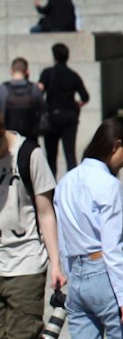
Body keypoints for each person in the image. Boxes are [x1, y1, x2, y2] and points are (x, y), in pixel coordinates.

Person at [52, 117, 123, 339]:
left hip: (77, 275)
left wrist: (70, 273)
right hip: (104, 274)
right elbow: (112, 247)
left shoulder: (65, 181)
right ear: (116, 145)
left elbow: (62, 238)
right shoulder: (109, 185)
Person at [0, 113, 63, 339]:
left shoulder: (29, 154)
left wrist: (56, 264)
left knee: (23, 333)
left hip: (25, 264)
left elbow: (46, 213)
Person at [38, 44, 89, 178]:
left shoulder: (47, 73)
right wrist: (77, 105)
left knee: (51, 156)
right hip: (69, 117)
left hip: (52, 117)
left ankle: (50, 185)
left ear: (54, 56)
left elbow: (39, 91)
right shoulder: (73, 75)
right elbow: (85, 97)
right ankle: (73, 184)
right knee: (70, 154)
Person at [1, 61, 42, 162]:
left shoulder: (3, 89)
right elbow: (41, 110)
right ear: (27, 72)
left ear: (11, 71)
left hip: (9, 138)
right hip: (31, 137)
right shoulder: (34, 88)